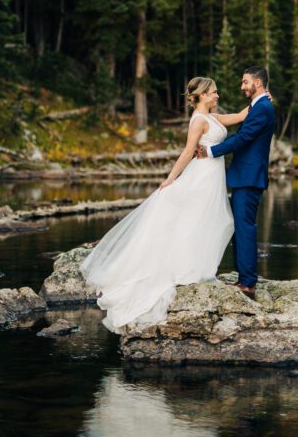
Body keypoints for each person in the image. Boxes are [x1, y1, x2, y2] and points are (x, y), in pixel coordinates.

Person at [79, 77, 249, 333]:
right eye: (213, 92)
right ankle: (188, 268)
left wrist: (261, 99)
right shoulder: (199, 121)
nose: (217, 95)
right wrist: (171, 178)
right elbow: (187, 152)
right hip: (201, 176)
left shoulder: (214, 117)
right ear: (202, 96)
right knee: (198, 220)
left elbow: (240, 116)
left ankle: (200, 266)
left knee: (213, 221)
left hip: (214, 177)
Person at [197, 66, 275, 298]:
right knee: (240, 227)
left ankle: (248, 283)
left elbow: (242, 138)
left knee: (244, 227)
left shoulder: (262, 108)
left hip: (249, 177)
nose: (242, 86)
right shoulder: (258, 106)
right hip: (246, 176)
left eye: (245, 82)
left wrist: (211, 151)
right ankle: (244, 278)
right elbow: (243, 120)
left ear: (258, 84)